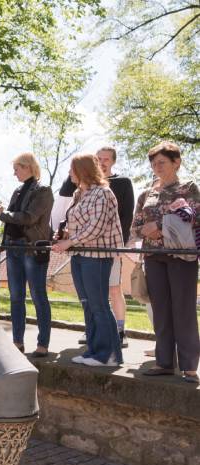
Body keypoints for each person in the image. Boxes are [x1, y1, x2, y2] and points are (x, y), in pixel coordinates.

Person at [131, 142, 200, 383]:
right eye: (153, 163)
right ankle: (164, 362)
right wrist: (146, 230)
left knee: (184, 309)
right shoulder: (145, 194)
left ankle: (190, 366)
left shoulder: (188, 188)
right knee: (160, 310)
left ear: (176, 162)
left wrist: (161, 227)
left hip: (182, 256)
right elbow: (135, 228)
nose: (156, 167)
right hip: (153, 257)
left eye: (161, 162)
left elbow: (196, 217)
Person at [52, 154, 124, 367]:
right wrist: (64, 235)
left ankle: (109, 355)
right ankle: (93, 350)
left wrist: (69, 242)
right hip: (79, 255)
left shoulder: (103, 193)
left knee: (99, 305)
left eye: (72, 169)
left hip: (97, 256)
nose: (69, 174)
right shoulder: (78, 193)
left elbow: (96, 227)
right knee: (87, 305)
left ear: (83, 170)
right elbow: (76, 222)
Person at [61, 146, 136, 347]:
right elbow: (66, 202)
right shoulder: (81, 190)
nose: (102, 162)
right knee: (91, 295)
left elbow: (126, 216)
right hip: (85, 249)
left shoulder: (118, 185)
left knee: (112, 290)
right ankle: (93, 331)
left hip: (108, 247)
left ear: (113, 161)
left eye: (106, 159)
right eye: (98, 158)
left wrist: (120, 247)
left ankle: (118, 331)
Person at [0, 152, 53, 354]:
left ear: (28, 167)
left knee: (38, 295)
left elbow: (29, 217)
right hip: (13, 247)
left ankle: (43, 344)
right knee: (16, 297)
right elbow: (11, 219)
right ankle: (17, 342)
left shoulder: (43, 190)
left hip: (31, 249)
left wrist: (2, 213)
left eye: (17, 169)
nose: (14, 173)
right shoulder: (17, 190)